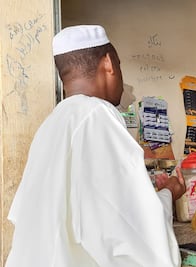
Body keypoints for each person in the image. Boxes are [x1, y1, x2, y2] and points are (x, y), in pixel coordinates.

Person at [5, 25, 186, 267]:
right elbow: (130, 230)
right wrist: (169, 194)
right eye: (120, 66)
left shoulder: (52, 123)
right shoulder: (98, 115)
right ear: (109, 63)